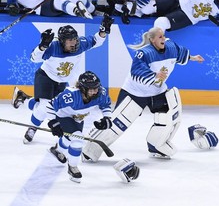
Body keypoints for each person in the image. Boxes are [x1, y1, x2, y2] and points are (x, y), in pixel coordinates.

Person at [81, 27, 205, 161]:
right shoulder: (144, 53)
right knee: (116, 124)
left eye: (163, 36)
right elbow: (136, 71)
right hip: (134, 93)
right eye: (160, 37)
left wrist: (193, 58)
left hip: (157, 92)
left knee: (169, 117)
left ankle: (156, 145)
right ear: (152, 40)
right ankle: (90, 150)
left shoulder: (171, 47)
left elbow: (181, 54)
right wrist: (155, 75)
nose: (163, 39)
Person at [11, 16, 114, 144]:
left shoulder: (80, 45)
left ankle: (24, 98)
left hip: (62, 81)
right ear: (61, 42)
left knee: (52, 107)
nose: (74, 43)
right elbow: (34, 58)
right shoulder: (53, 47)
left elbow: (95, 40)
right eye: (70, 40)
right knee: (44, 106)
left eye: (75, 39)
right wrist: (42, 47)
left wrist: (104, 31)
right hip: (46, 77)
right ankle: (33, 127)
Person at [46, 71, 139, 183]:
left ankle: (58, 150)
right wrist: (53, 122)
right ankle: (72, 167)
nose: (95, 91)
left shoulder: (100, 93)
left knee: (69, 137)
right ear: (82, 88)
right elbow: (50, 105)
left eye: (96, 87)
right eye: (91, 88)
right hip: (63, 116)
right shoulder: (70, 95)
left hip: (78, 118)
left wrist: (107, 118)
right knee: (77, 140)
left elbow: (105, 104)